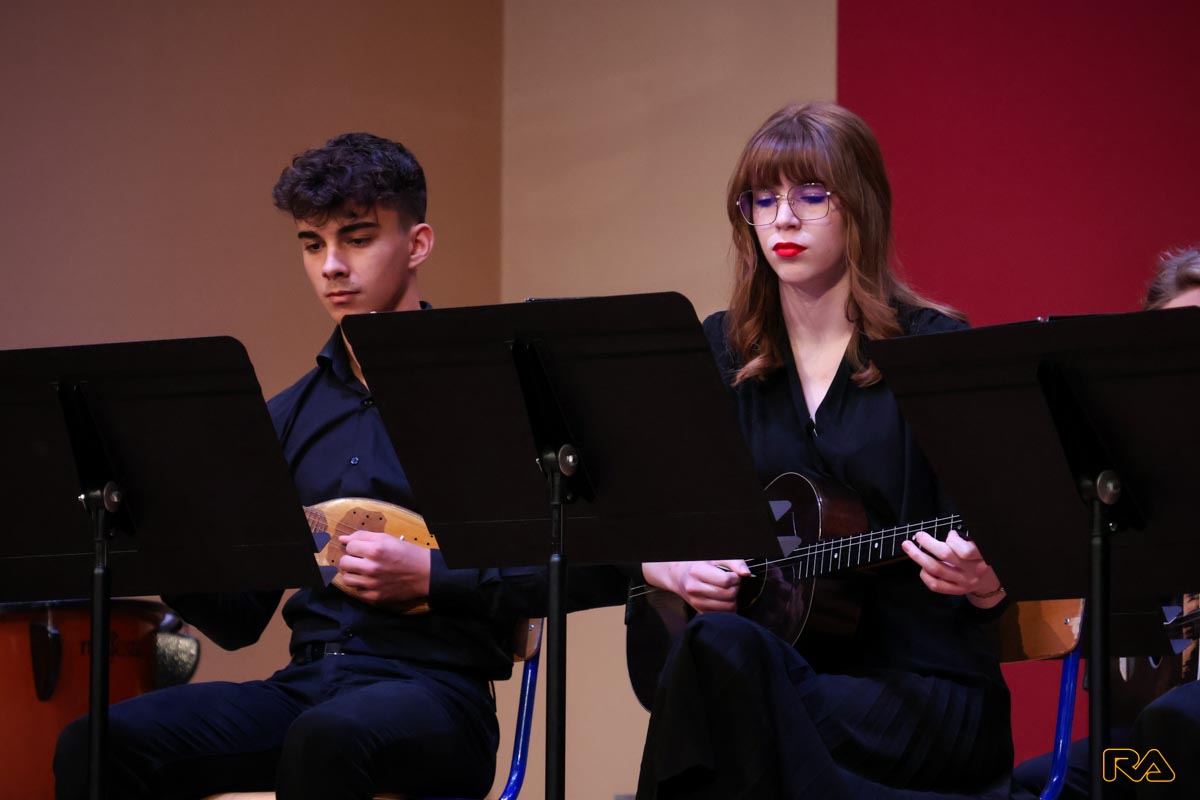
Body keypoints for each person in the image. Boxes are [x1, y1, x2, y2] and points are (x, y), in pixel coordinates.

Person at [53, 132, 626, 800]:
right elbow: (240, 618)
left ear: (417, 244)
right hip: (307, 688)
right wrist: (150, 528)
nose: (330, 266)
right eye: (311, 244)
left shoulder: (491, 396)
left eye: (356, 239)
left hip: (439, 697)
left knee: (325, 738)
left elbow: (595, 563)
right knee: (95, 744)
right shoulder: (287, 415)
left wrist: (432, 578)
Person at [634, 103, 1013, 799]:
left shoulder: (936, 350)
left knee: (723, 683)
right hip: (773, 674)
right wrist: (673, 568)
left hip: (923, 692)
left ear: (860, 206)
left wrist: (986, 580)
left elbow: (1010, 557)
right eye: (763, 199)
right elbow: (643, 515)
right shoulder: (722, 351)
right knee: (725, 662)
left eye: (811, 196)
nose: (782, 219)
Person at [1011, 246, 1200, 800]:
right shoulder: (1127, 479)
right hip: (1153, 752)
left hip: (1181, 732)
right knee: (1031, 786)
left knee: (1175, 725)